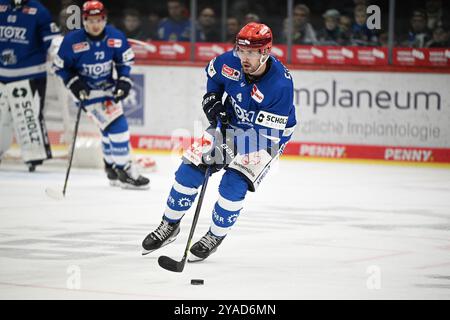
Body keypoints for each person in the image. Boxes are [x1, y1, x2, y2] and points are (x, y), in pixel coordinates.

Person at [142, 22, 297, 262]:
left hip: (267, 137)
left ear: (265, 52)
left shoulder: (280, 85)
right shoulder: (230, 61)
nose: (244, 57)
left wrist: (225, 150)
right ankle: (169, 224)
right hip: (230, 125)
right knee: (189, 171)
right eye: (241, 50)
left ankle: (215, 235)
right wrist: (212, 99)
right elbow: (213, 76)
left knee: (233, 184)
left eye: (251, 53)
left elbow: (266, 135)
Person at [53, 0, 149, 189]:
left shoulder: (116, 37)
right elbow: (59, 67)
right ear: (84, 20)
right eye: (90, 20)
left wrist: (123, 80)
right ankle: (124, 170)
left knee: (108, 128)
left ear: (105, 19)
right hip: (86, 93)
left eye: (99, 20)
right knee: (117, 125)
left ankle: (111, 168)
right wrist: (75, 83)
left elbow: (125, 61)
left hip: (107, 88)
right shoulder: (73, 40)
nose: (95, 25)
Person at [0, 0, 60, 171]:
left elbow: (52, 40)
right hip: (1, 74)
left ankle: (33, 157)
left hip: (29, 75)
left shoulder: (39, 11)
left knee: (29, 116)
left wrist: (59, 54)